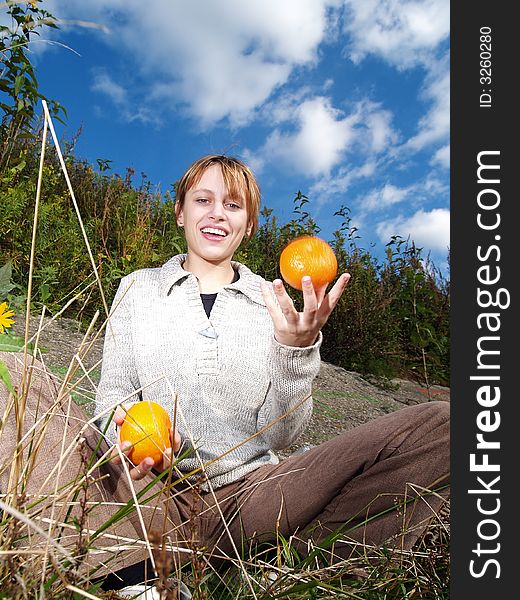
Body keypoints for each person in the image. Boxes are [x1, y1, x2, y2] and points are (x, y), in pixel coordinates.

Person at [0, 154, 449, 596]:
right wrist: (126, 438)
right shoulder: (139, 288)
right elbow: (112, 394)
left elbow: (285, 435)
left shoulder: (272, 300)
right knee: (15, 373)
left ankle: (313, 562)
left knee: (445, 424)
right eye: (203, 200)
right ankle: (138, 573)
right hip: (149, 494)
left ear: (249, 224)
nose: (217, 214)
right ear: (180, 212)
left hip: (253, 496)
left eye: (233, 205)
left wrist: (297, 351)